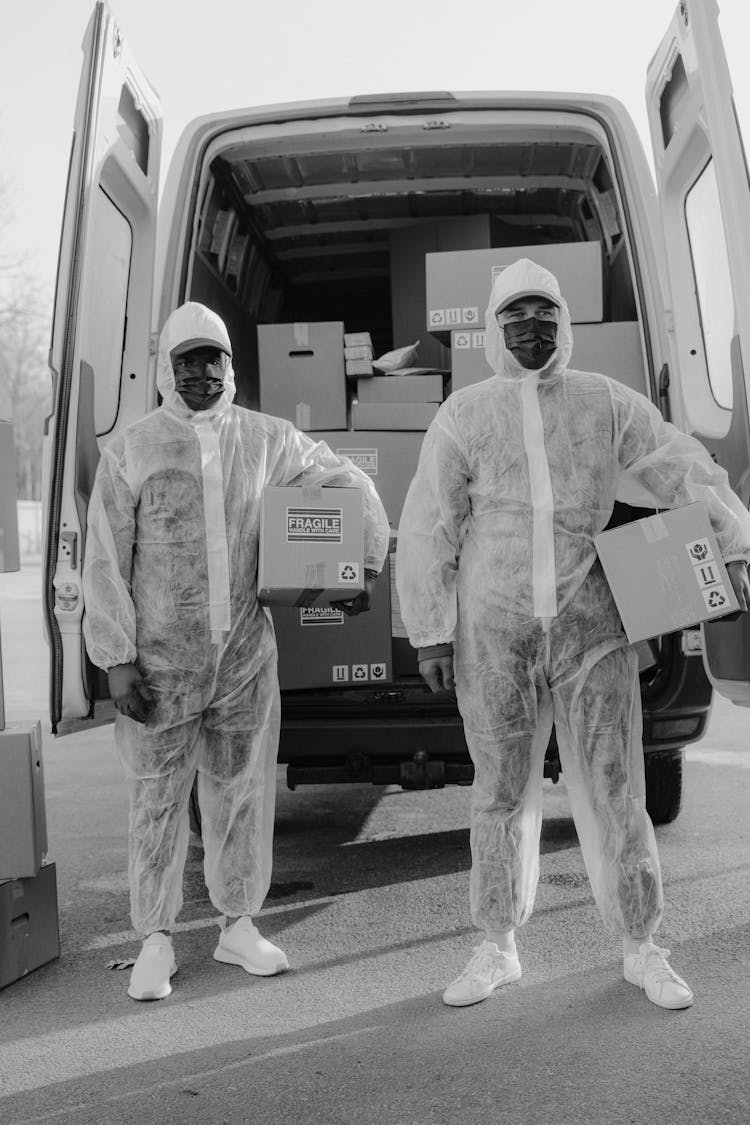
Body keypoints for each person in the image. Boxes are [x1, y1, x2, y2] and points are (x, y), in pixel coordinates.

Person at [396, 258, 750, 1011]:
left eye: (545, 314)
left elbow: (678, 466)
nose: (532, 328)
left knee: (617, 785)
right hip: (493, 632)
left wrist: (735, 543)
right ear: (494, 330)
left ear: (565, 324)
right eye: (516, 316)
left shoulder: (604, 404)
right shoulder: (464, 413)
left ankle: (642, 945)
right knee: (498, 791)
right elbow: (429, 521)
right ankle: (496, 944)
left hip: (592, 625)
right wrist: (429, 631)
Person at [83, 302, 389, 1001]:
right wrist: (117, 657)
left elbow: (344, 480)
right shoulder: (134, 448)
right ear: (167, 368)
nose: (201, 372)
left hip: (245, 655)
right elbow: (105, 557)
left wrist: (359, 562)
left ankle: (237, 922)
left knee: (242, 791)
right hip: (159, 659)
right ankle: (155, 937)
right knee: (156, 798)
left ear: (231, 365)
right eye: (186, 359)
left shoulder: (268, 439)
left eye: (212, 358)